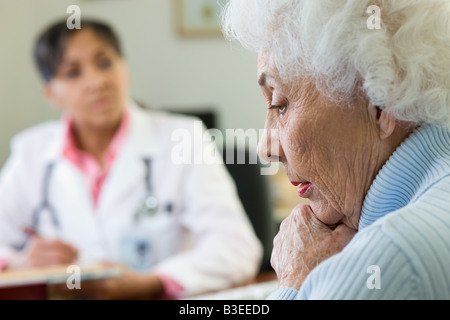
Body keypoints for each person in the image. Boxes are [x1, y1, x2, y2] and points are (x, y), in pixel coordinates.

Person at [0, 19, 262, 299]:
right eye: (73, 72)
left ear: (124, 68)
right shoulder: (30, 152)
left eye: (104, 63)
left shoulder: (185, 138)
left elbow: (237, 248)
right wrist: (18, 264)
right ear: (51, 93)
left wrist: (152, 282)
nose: (96, 82)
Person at [222, 0, 450, 299]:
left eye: (280, 104)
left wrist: (297, 282)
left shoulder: (389, 259)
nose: (265, 148)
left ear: (379, 102)